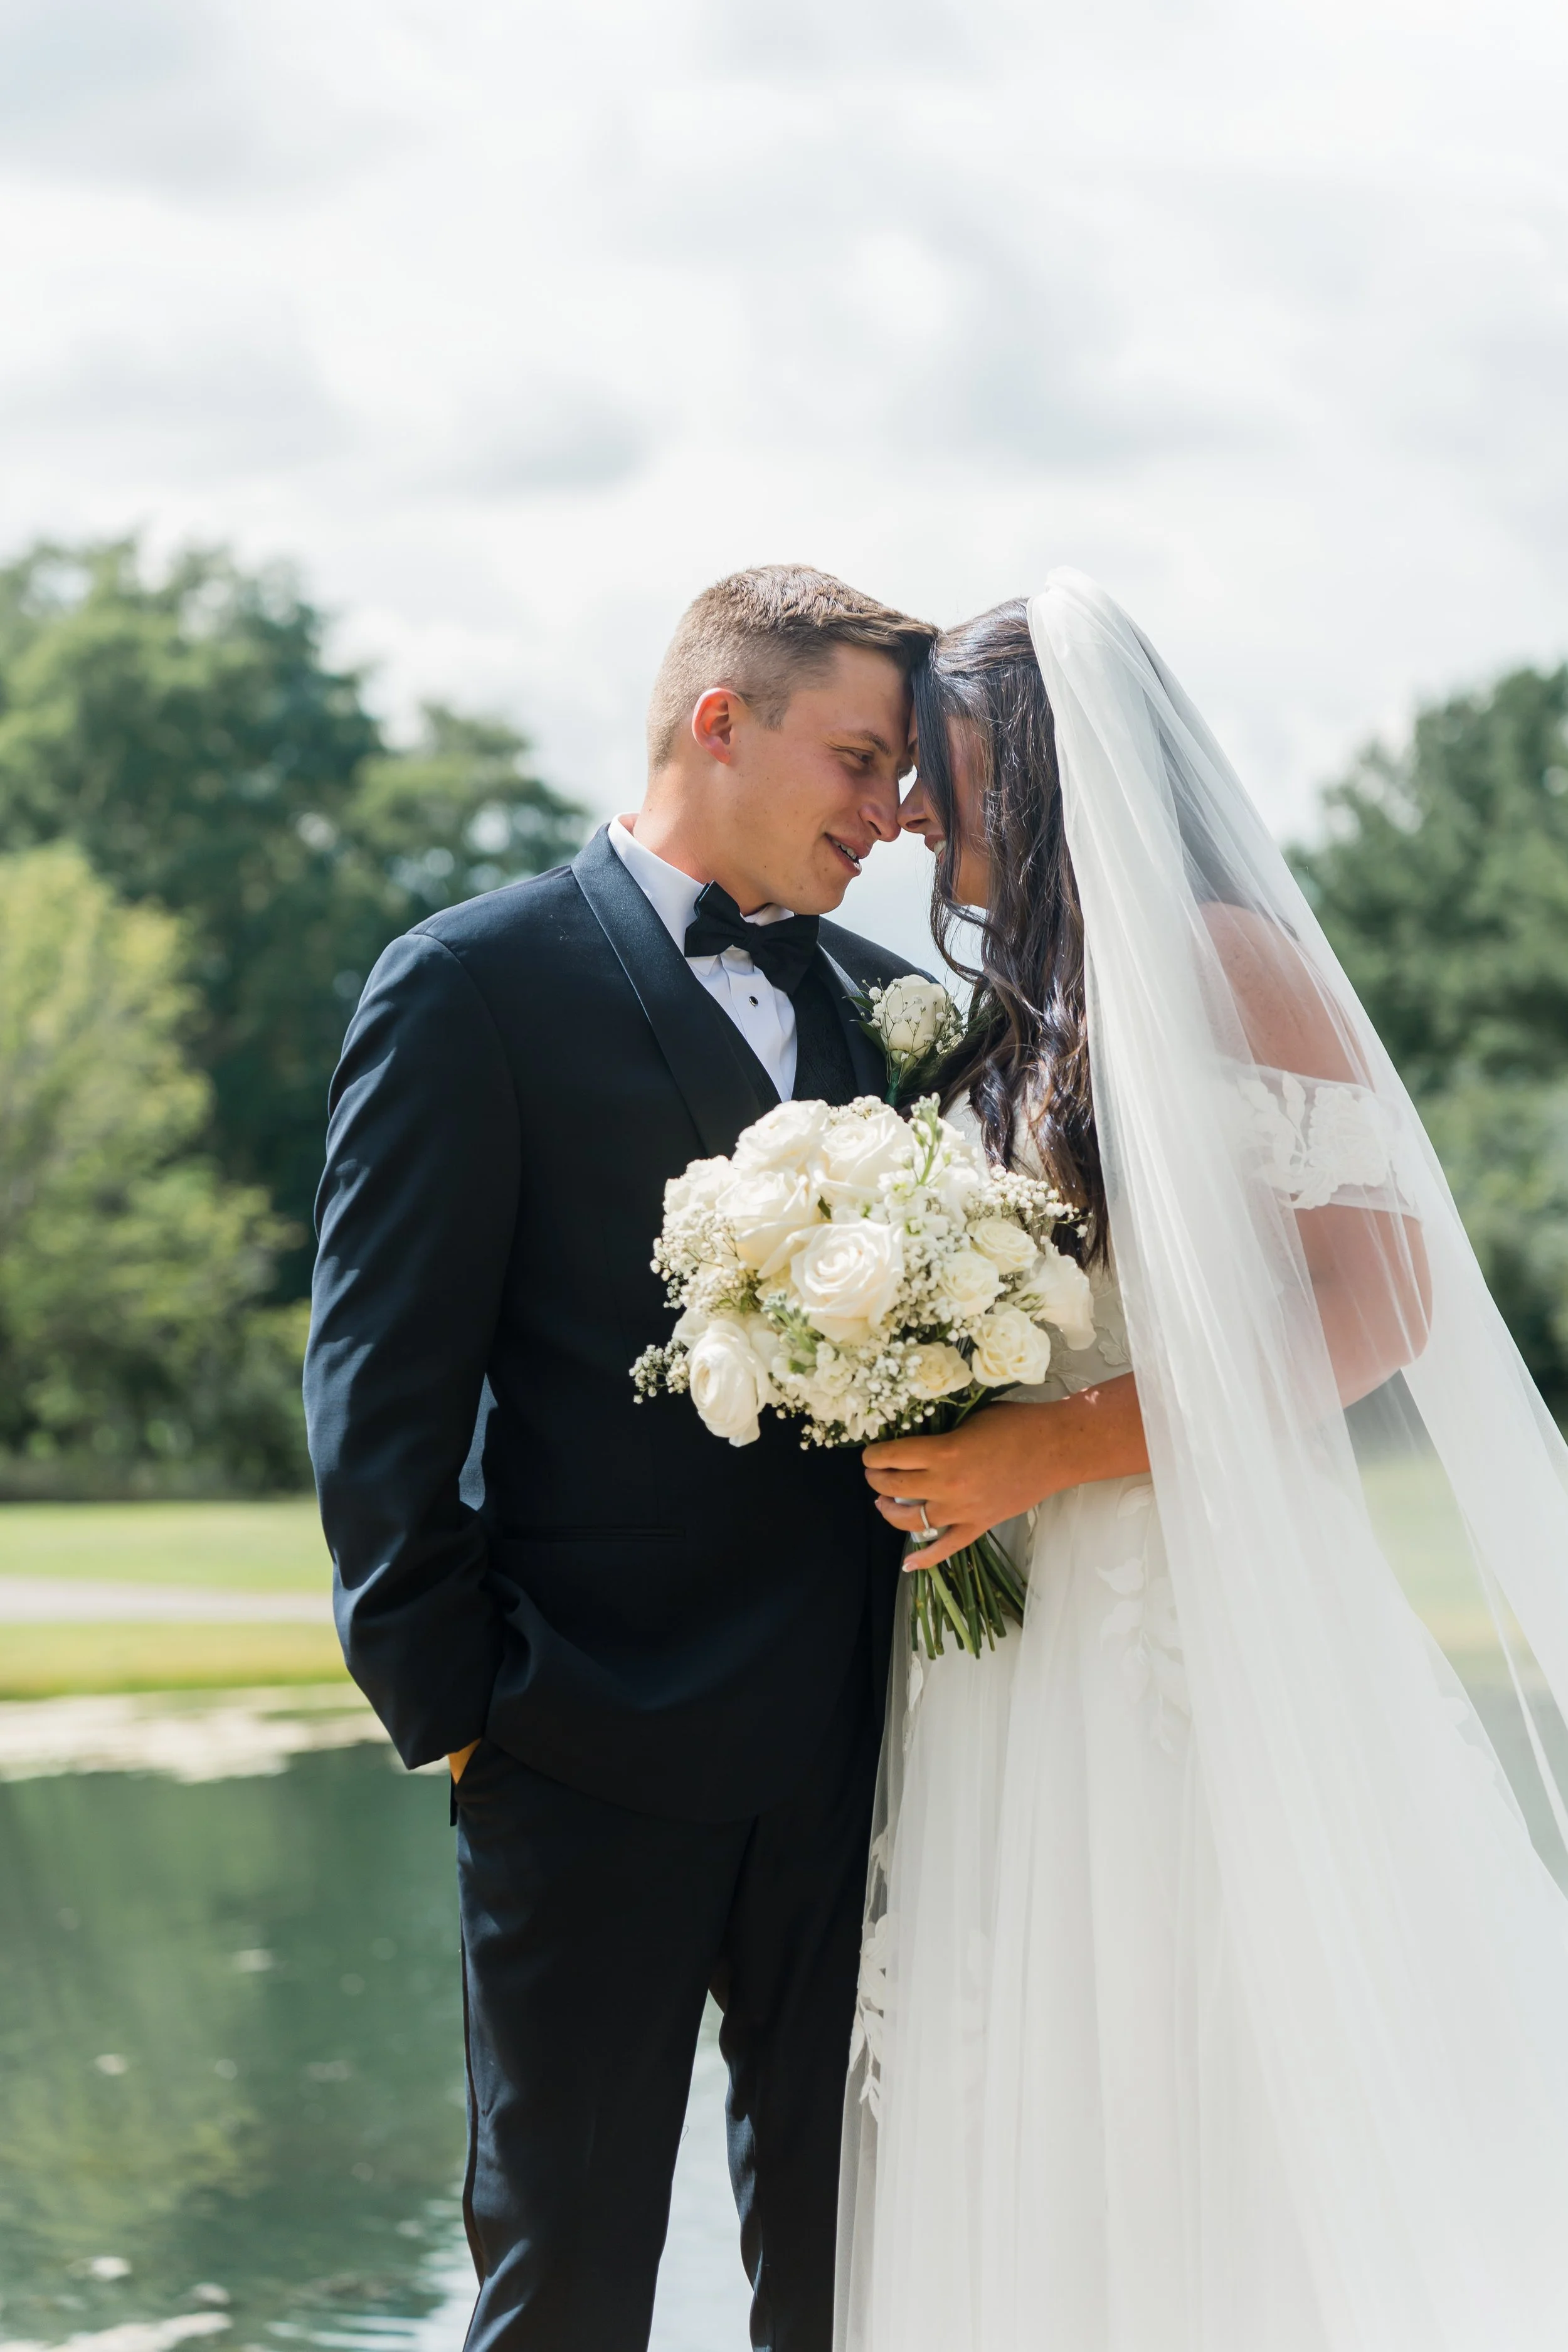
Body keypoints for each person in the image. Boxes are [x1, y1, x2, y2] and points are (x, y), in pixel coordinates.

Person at [835, 575, 1568, 2351]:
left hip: (1188, 1603)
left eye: (932, 767)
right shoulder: (1009, 1010)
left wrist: (1054, 1443)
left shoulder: (1230, 958)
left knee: (1212, 2039)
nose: (911, 814)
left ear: (1040, 763)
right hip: (1010, 1649)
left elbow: (1376, 1292)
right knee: (1038, 2079)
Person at [304, 564, 937, 2352]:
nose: (887, 821)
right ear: (718, 721)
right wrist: (463, 1700)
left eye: (898, 781)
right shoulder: (466, 986)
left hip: (865, 1766)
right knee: (565, 2282)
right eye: (859, 761)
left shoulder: (901, 1017)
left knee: (855, 2279)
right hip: (579, 1746)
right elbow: (377, 1382)